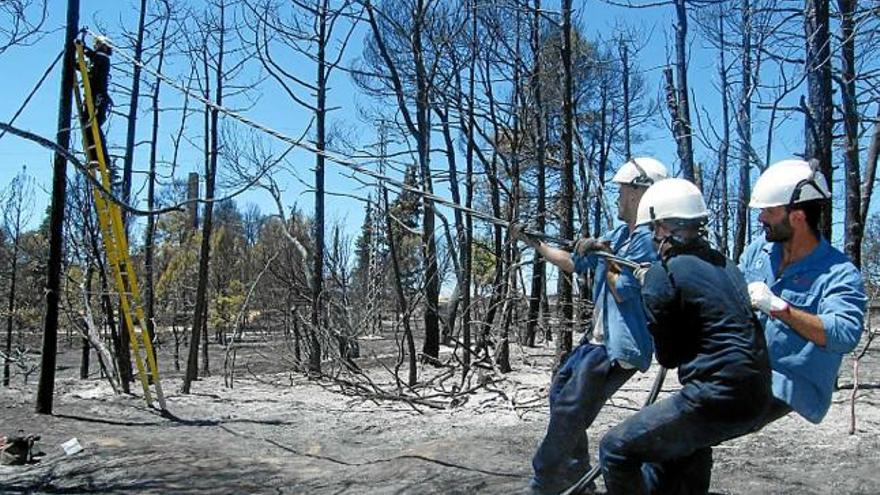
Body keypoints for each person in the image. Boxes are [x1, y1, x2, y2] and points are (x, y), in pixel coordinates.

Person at [599, 178, 772, 495]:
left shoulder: (662, 275)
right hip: (757, 395)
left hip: (715, 396)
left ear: (663, 227)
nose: (652, 237)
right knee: (680, 448)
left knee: (615, 449)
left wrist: (651, 284)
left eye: (654, 229)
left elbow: (669, 356)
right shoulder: (725, 264)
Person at [513, 157, 668, 494]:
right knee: (561, 393)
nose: (617, 196)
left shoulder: (647, 240)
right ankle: (577, 474)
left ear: (639, 192)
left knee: (571, 408)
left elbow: (625, 290)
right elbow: (572, 262)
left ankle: (546, 480)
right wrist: (534, 243)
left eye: (622, 189)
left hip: (619, 345)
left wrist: (604, 255)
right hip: (596, 340)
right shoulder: (617, 234)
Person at [739, 159, 866, 426]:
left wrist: (778, 307)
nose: (761, 218)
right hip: (743, 370)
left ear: (797, 217)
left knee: (690, 428)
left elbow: (844, 334)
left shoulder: (838, 272)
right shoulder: (758, 252)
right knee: (680, 435)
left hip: (788, 385)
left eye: (769, 211)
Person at [78, 35, 113, 129]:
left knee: (94, 123)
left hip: (98, 94)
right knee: (88, 122)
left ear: (105, 47)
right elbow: (88, 68)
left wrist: (83, 48)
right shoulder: (96, 60)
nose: (96, 46)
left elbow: (94, 57)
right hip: (93, 93)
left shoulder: (103, 58)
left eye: (98, 44)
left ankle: (98, 142)